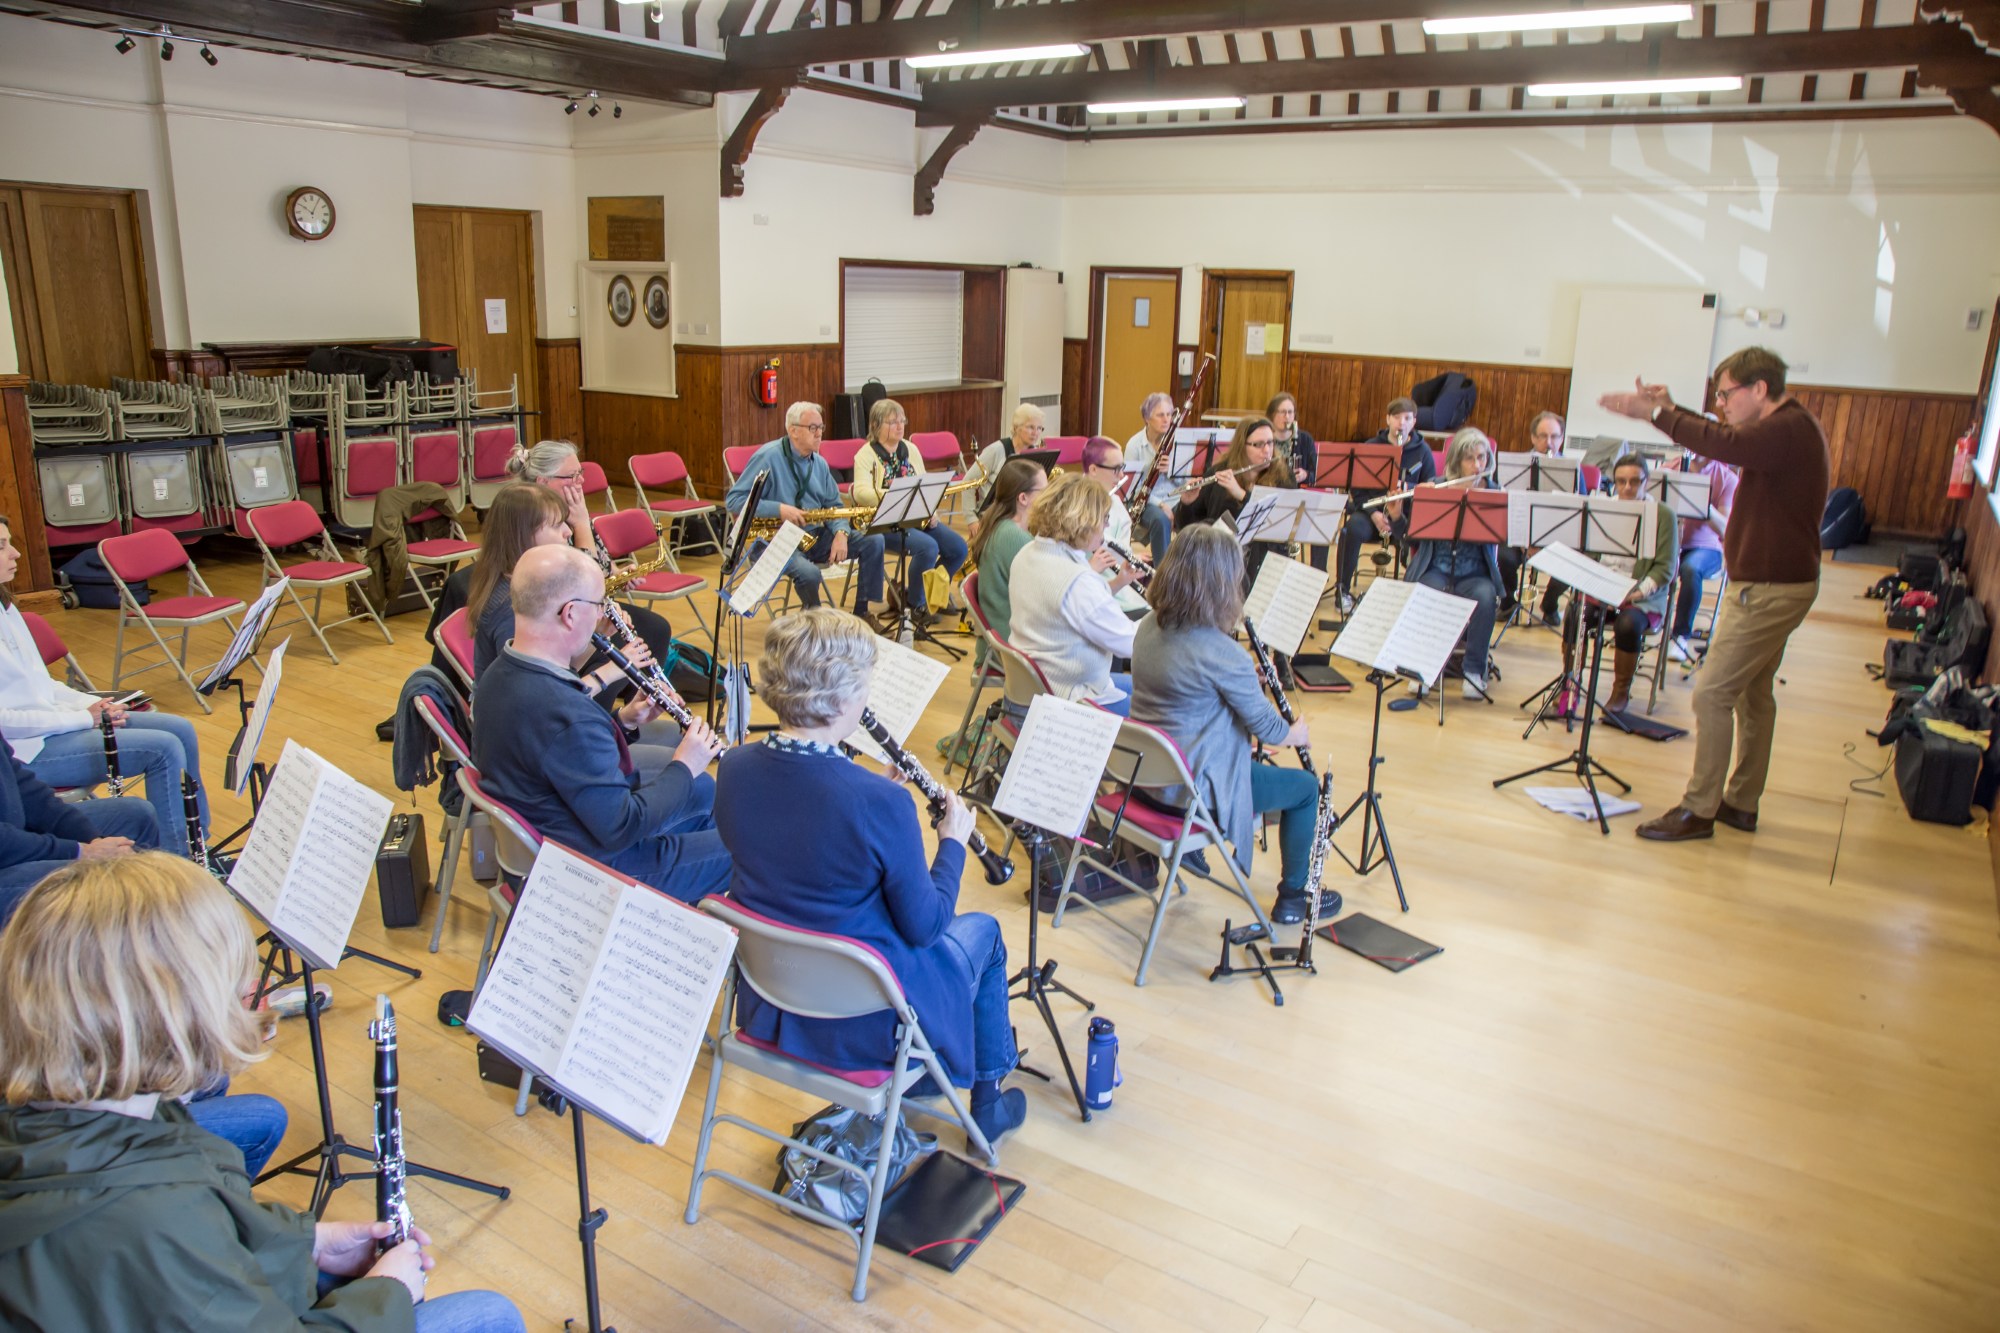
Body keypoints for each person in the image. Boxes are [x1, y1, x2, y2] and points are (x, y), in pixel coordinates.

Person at [0, 854, 524, 1332]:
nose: (251, 998)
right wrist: (386, 1294)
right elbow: (187, 1253)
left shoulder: (80, 1116)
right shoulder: (156, 1221)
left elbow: (204, 1242)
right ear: (173, 1018)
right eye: (232, 988)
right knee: (490, 1315)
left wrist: (307, 1243)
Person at [712, 608, 1026, 1147]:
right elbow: (926, 925)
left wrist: (872, 790)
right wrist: (952, 842)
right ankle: (986, 1102)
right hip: (864, 1020)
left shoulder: (734, 768)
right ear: (840, 701)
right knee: (986, 933)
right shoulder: (879, 804)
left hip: (772, 1001)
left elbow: (804, 831)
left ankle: (936, 1076)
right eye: (864, 685)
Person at [1599, 346, 1829, 841]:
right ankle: (1741, 802)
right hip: (1775, 583)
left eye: (1726, 395)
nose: (1721, 405)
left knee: (1711, 694)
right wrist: (1670, 409)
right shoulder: (1785, 427)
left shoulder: (1787, 429)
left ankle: (1699, 809)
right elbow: (1724, 435)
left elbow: (1723, 442)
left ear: (1759, 389)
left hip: (1770, 589)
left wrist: (1658, 414)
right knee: (1752, 695)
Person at [471, 546, 730, 900]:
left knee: (700, 792)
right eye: (598, 604)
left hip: (561, 834)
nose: (602, 615)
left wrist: (624, 722)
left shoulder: (499, 673)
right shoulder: (566, 714)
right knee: (747, 849)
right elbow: (623, 826)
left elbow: (560, 755)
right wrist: (685, 764)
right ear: (570, 613)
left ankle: (685, 905)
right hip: (590, 872)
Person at [1129, 526, 1339, 928]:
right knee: (1305, 789)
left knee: (1276, 781)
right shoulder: (1224, 653)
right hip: (1192, 793)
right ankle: (1294, 898)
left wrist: (1244, 680)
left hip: (1144, 781)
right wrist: (1295, 733)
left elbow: (1192, 687)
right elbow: (1269, 729)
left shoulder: (1148, 627)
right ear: (1221, 585)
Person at [0, 516, 207, 857]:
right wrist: (83, 718)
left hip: (54, 725)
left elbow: (40, 684)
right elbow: (6, 723)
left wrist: (92, 705)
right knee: (163, 749)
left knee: (180, 728)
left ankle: (200, 846)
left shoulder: (6, 607)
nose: (16, 553)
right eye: (3, 546)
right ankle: (180, 863)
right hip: (27, 750)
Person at [464, 483, 682, 768]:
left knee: (676, 737)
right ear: (525, 535)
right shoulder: (513, 610)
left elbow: (557, 672)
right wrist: (614, 669)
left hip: (555, 732)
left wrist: (598, 635)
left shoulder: (531, 589)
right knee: (682, 764)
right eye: (557, 525)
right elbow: (540, 702)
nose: (568, 532)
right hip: (538, 750)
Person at [505, 439, 673, 661]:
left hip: (589, 607)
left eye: (580, 472)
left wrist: (618, 574)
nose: (581, 480)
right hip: (560, 619)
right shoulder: (539, 525)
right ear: (543, 481)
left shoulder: (572, 510)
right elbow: (581, 584)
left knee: (657, 628)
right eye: (572, 475)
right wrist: (581, 524)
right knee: (645, 635)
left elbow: (601, 565)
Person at [724, 401, 888, 614]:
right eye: (813, 428)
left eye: (821, 427)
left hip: (812, 536)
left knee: (874, 541)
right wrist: (779, 509)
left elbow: (834, 506)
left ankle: (862, 613)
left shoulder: (819, 463)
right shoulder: (768, 457)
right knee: (810, 574)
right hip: (772, 540)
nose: (819, 433)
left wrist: (841, 533)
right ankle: (813, 622)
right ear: (793, 431)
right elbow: (734, 500)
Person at [1006, 472, 1142, 714]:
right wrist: (1166, 620)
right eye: (1104, 518)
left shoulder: (1027, 552)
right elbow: (1131, 644)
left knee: (1151, 689)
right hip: (1071, 699)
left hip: (1036, 687)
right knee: (1171, 713)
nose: (1106, 526)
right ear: (1084, 522)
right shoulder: (1078, 582)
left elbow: (1082, 608)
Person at [1559, 454, 1677, 713]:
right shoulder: (1602, 508)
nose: (1627, 488)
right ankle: (1571, 683)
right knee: (1576, 613)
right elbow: (1589, 555)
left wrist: (1636, 593)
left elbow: (1665, 567)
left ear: (1647, 481)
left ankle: (1621, 690)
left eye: (1635, 482)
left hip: (1641, 593)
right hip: (1602, 586)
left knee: (1628, 624)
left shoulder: (1662, 514)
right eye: (1621, 481)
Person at [0, 746, 158, 919]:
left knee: (135, 815)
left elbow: (29, 792)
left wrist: (94, 840)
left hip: (15, 841)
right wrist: (82, 851)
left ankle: (157, 915)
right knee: (102, 878)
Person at [851, 397, 969, 627]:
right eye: (892, 422)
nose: (900, 426)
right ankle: (916, 605)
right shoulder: (865, 454)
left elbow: (924, 484)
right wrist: (896, 494)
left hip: (915, 517)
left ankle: (932, 595)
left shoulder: (910, 449)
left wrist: (930, 510)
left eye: (902, 421)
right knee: (928, 547)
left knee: (958, 548)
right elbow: (861, 493)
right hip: (883, 522)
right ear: (876, 425)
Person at [1404, 428, 1503, 700]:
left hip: (1475, 573)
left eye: (1482, 457)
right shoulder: (1437, 487)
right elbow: (1411, 537)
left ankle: (1474, 671)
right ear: (1457, 460)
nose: (1477, 465)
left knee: (1486, 596)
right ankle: (1422, 668)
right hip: (1437, 568)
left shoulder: (1494, 493)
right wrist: (1404, 512)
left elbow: (1503, 540)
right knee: (1425, 591)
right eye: (1470, 458)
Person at [1335, 397, 1437, 612]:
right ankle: (1342, 590)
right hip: (1372, 512)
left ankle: (1414, 595)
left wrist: (1404, 498)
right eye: (1397, 417)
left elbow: (1430, 488)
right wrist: (1374, 514)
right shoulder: (1371, 447)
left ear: (1414, 421)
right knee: (1351, 529)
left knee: (1420, 538)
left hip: (1404, 515)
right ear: (1388, 419)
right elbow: (1357, 491)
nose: (1401, 423)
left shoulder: (1423, 451)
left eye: (1407, 418)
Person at [1173, 415, 1299, 585]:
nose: (1267, 450)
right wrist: (1187, 504)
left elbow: (1280, 522)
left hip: (1267, 560)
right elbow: (1189, 529)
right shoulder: (1218, 473)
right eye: (1258, 444)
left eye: (1270, 443)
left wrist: (1241, 494)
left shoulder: (1284, 477)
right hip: (1220, 561)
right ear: (1242, 446)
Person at [966, 457, 1048, 645]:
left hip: (1004, 635)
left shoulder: (1000, 524)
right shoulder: (1013, 536)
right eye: (1044, 491)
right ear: (1023, 498)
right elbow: (1049, 590)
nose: (1049, 497)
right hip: (1011, 642)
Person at [1668, 453, 1739, 661]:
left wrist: (1701, 503)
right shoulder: (1670, 469)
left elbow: (1725, 529)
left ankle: (1680, 637)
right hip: (1671, 543)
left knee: (1691, 569)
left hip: (1706, 548)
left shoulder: (1726, 478)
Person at [1081, 437, 1152, 619]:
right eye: (1116, 469)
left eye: (1122, 468)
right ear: (1093, 470)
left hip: (1121, 589)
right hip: (1094, 597)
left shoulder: (1115, 502)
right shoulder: (1075, 506)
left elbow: (1122, 550)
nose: (1121, 476)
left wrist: (1129, 560)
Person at [1268, 391, 1326, 571]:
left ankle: (1317, 574)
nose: (1287, 417)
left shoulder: (1304, 439)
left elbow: (1317, 474)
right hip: (1272, 496)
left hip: (1299, 497)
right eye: (1282, 412)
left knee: (1321, 525)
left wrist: (1305, 475)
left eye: (1290, 412)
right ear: (1272, 415)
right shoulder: (1266, 439)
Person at [1121, 391, 1179, 559]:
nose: (1166, 419)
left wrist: (1173, 470)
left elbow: (1187, 480)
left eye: (1169, 414)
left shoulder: (1177, 440)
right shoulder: (1135, 445)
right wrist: (1161, 504)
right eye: (1160, 415)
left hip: (1176, 498)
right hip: (1147, 500)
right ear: (1147, 418)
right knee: (1160, 520)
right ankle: (1162, 570)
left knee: (1198, 514)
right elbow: (1132, 487)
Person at [971, 402, 1047, 503]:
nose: (1035, 433)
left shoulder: (1036, 452)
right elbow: (969, 482)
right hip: (993, 508)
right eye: (1030, 427)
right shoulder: (996, 450)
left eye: (1039, 428)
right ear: (1016, 428)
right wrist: (970, 514)